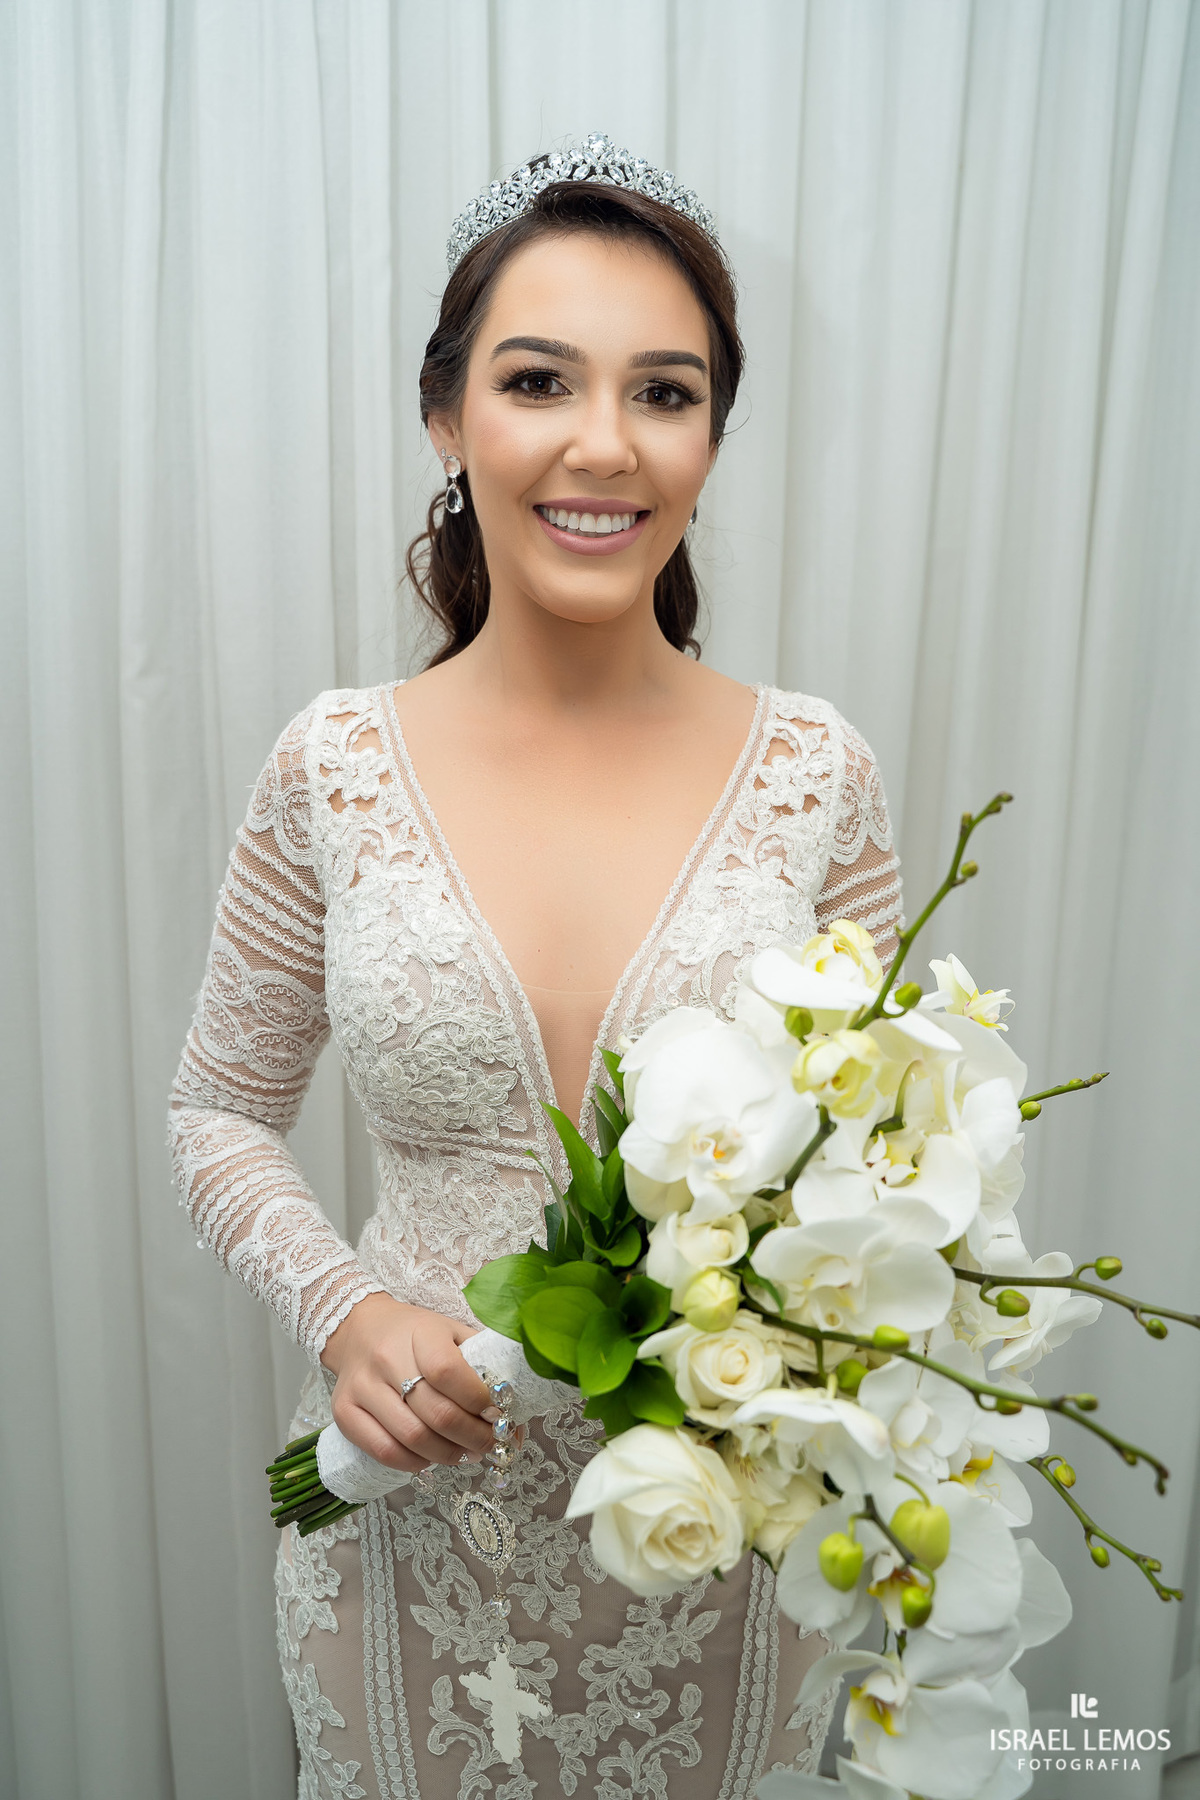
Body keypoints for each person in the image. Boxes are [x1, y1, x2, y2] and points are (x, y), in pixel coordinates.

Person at [168, 135, 904, 1800]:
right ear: (447, 416)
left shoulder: (818, 775)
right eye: (538, 379)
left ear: (713, 437)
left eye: (665, 390)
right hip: (409, 1529)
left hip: (725, 1549)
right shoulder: (334, 765)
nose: (602, 443)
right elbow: (216, 1106)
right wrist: (344, 1309)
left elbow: (892, 1155)